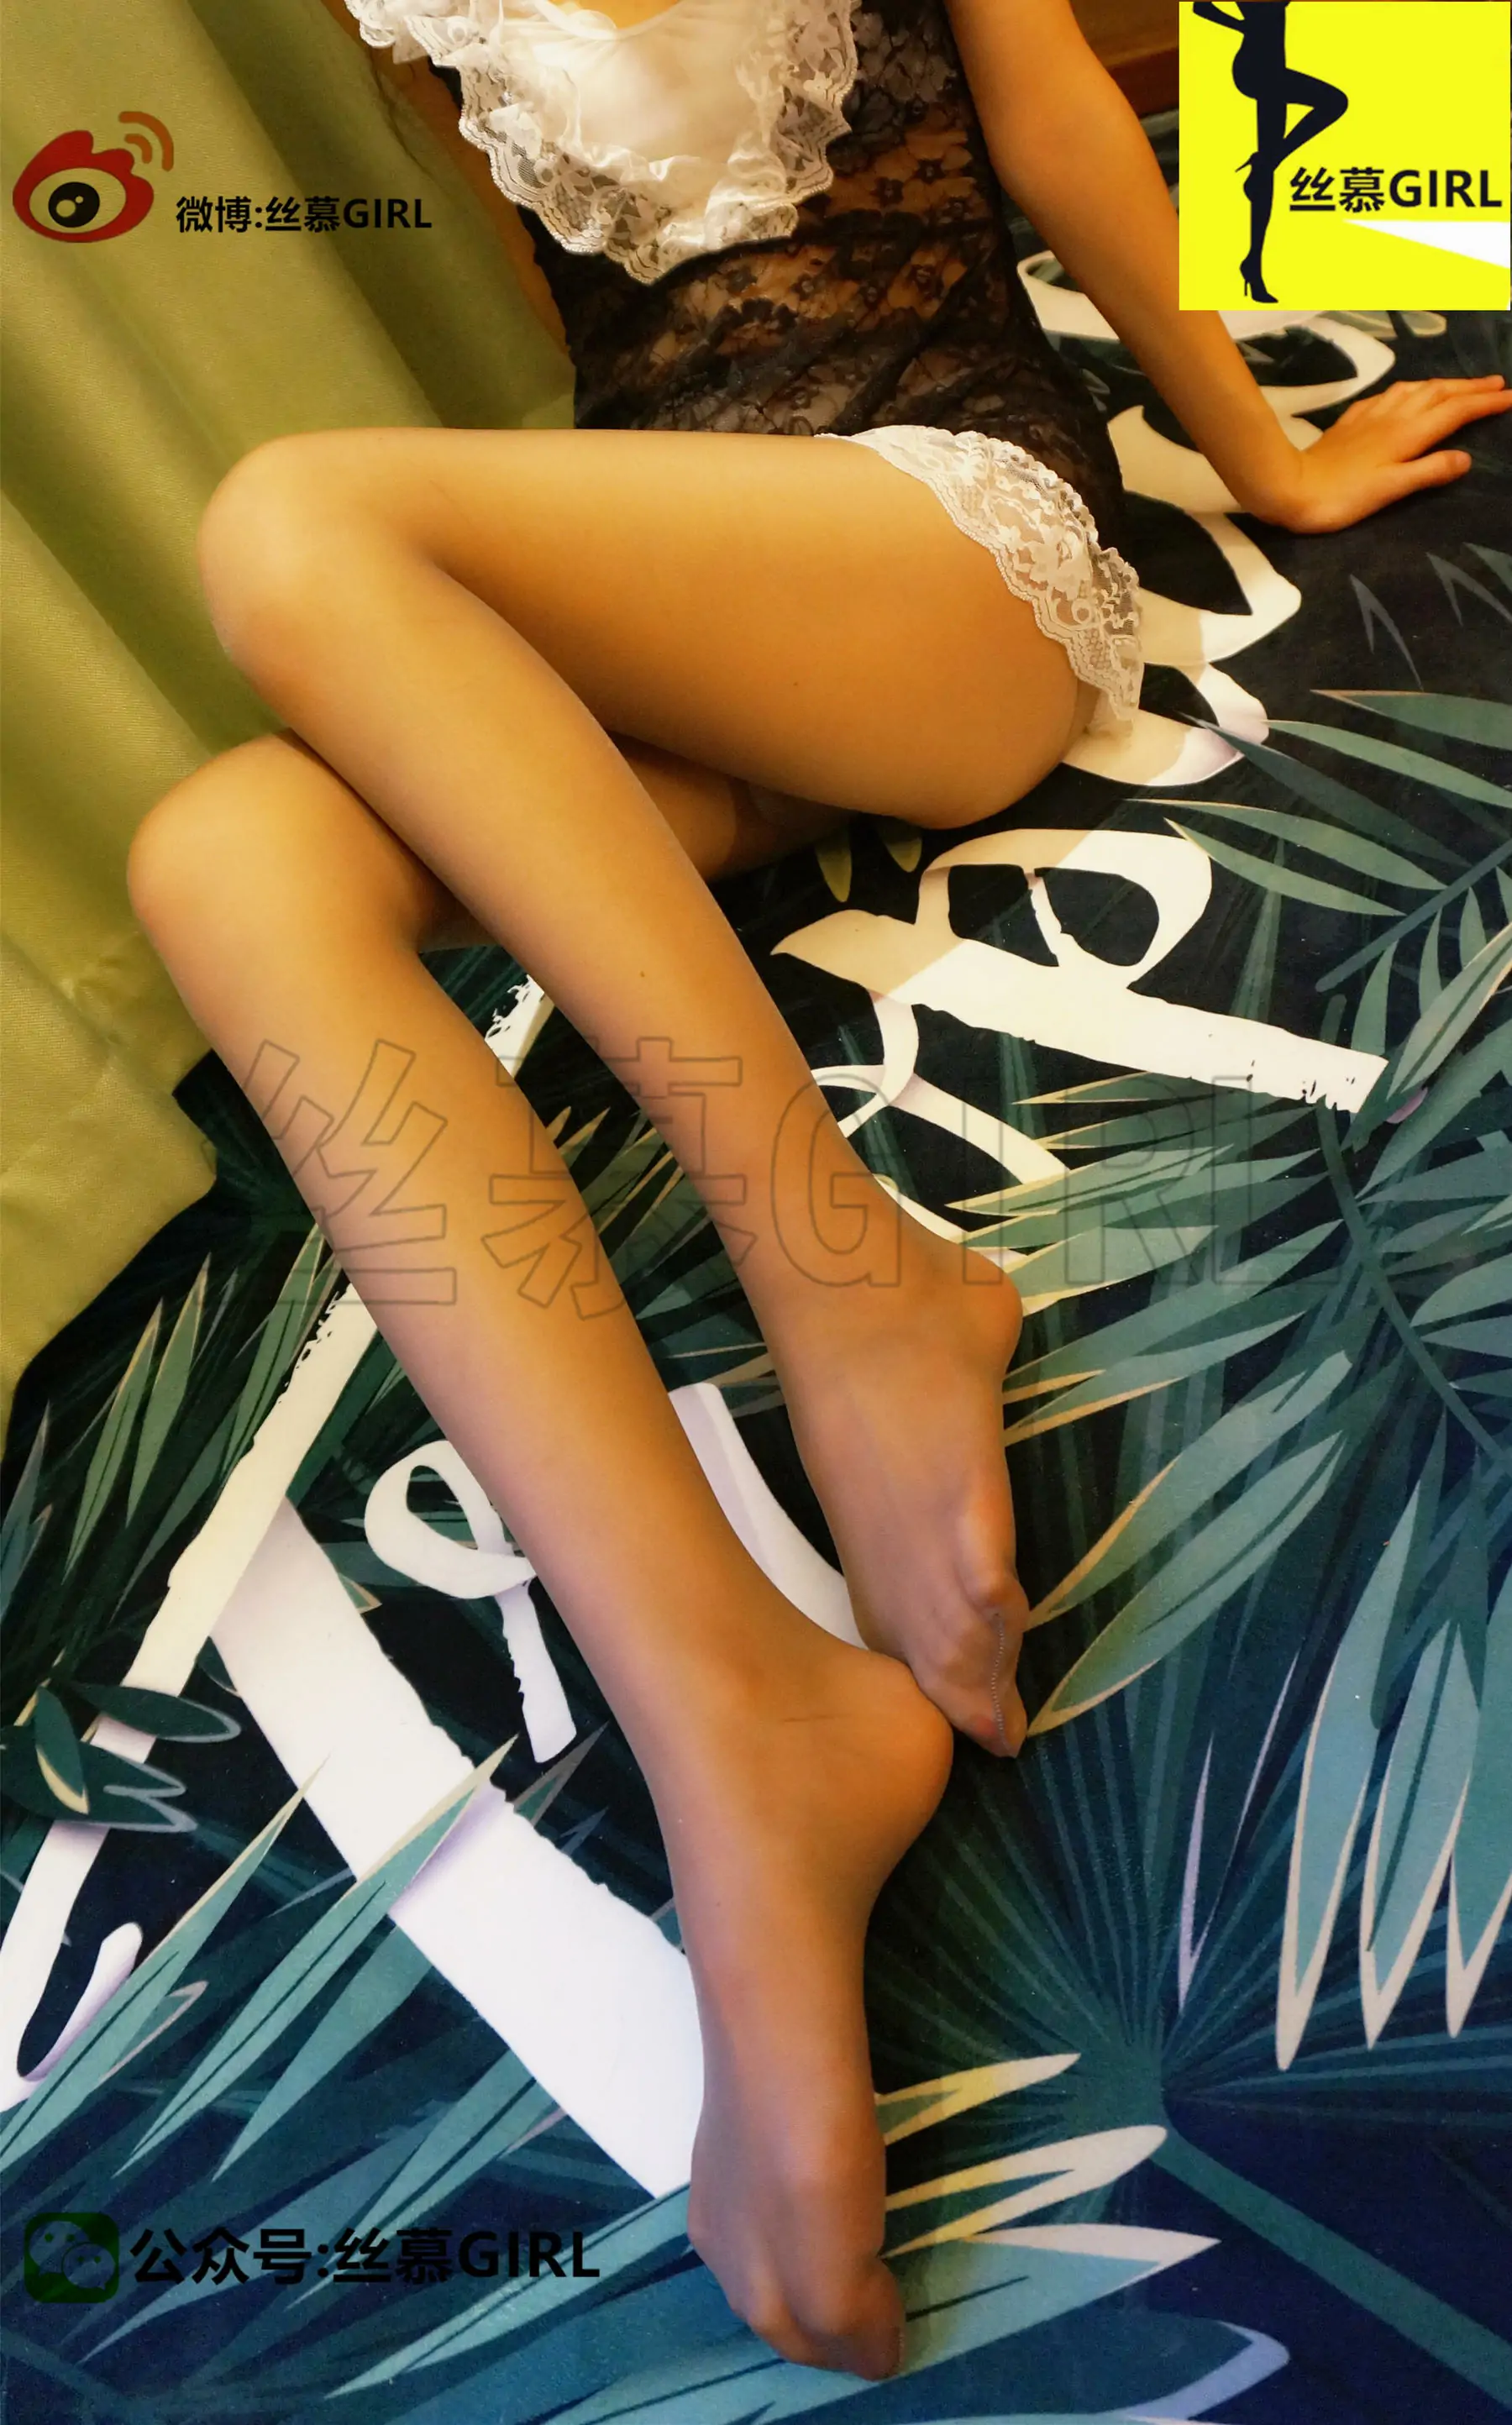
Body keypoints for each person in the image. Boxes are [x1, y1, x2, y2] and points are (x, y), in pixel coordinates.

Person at [123, 0, 1511, 2380]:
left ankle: (842, 1265)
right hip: (721, 606)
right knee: (219, 853)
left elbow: (1052, 111)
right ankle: (735, 1711)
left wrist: (1260, 454)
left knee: (289, 520)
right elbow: (610, 321)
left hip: (958, 543)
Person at [1193, 0, 1349, 300]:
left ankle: (1253, 263)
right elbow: (1201, 6)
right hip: (1256, 69)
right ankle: (1267, 162)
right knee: (1334, 102)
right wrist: (1241, 26)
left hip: (1275, 66)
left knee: (1266, 173)